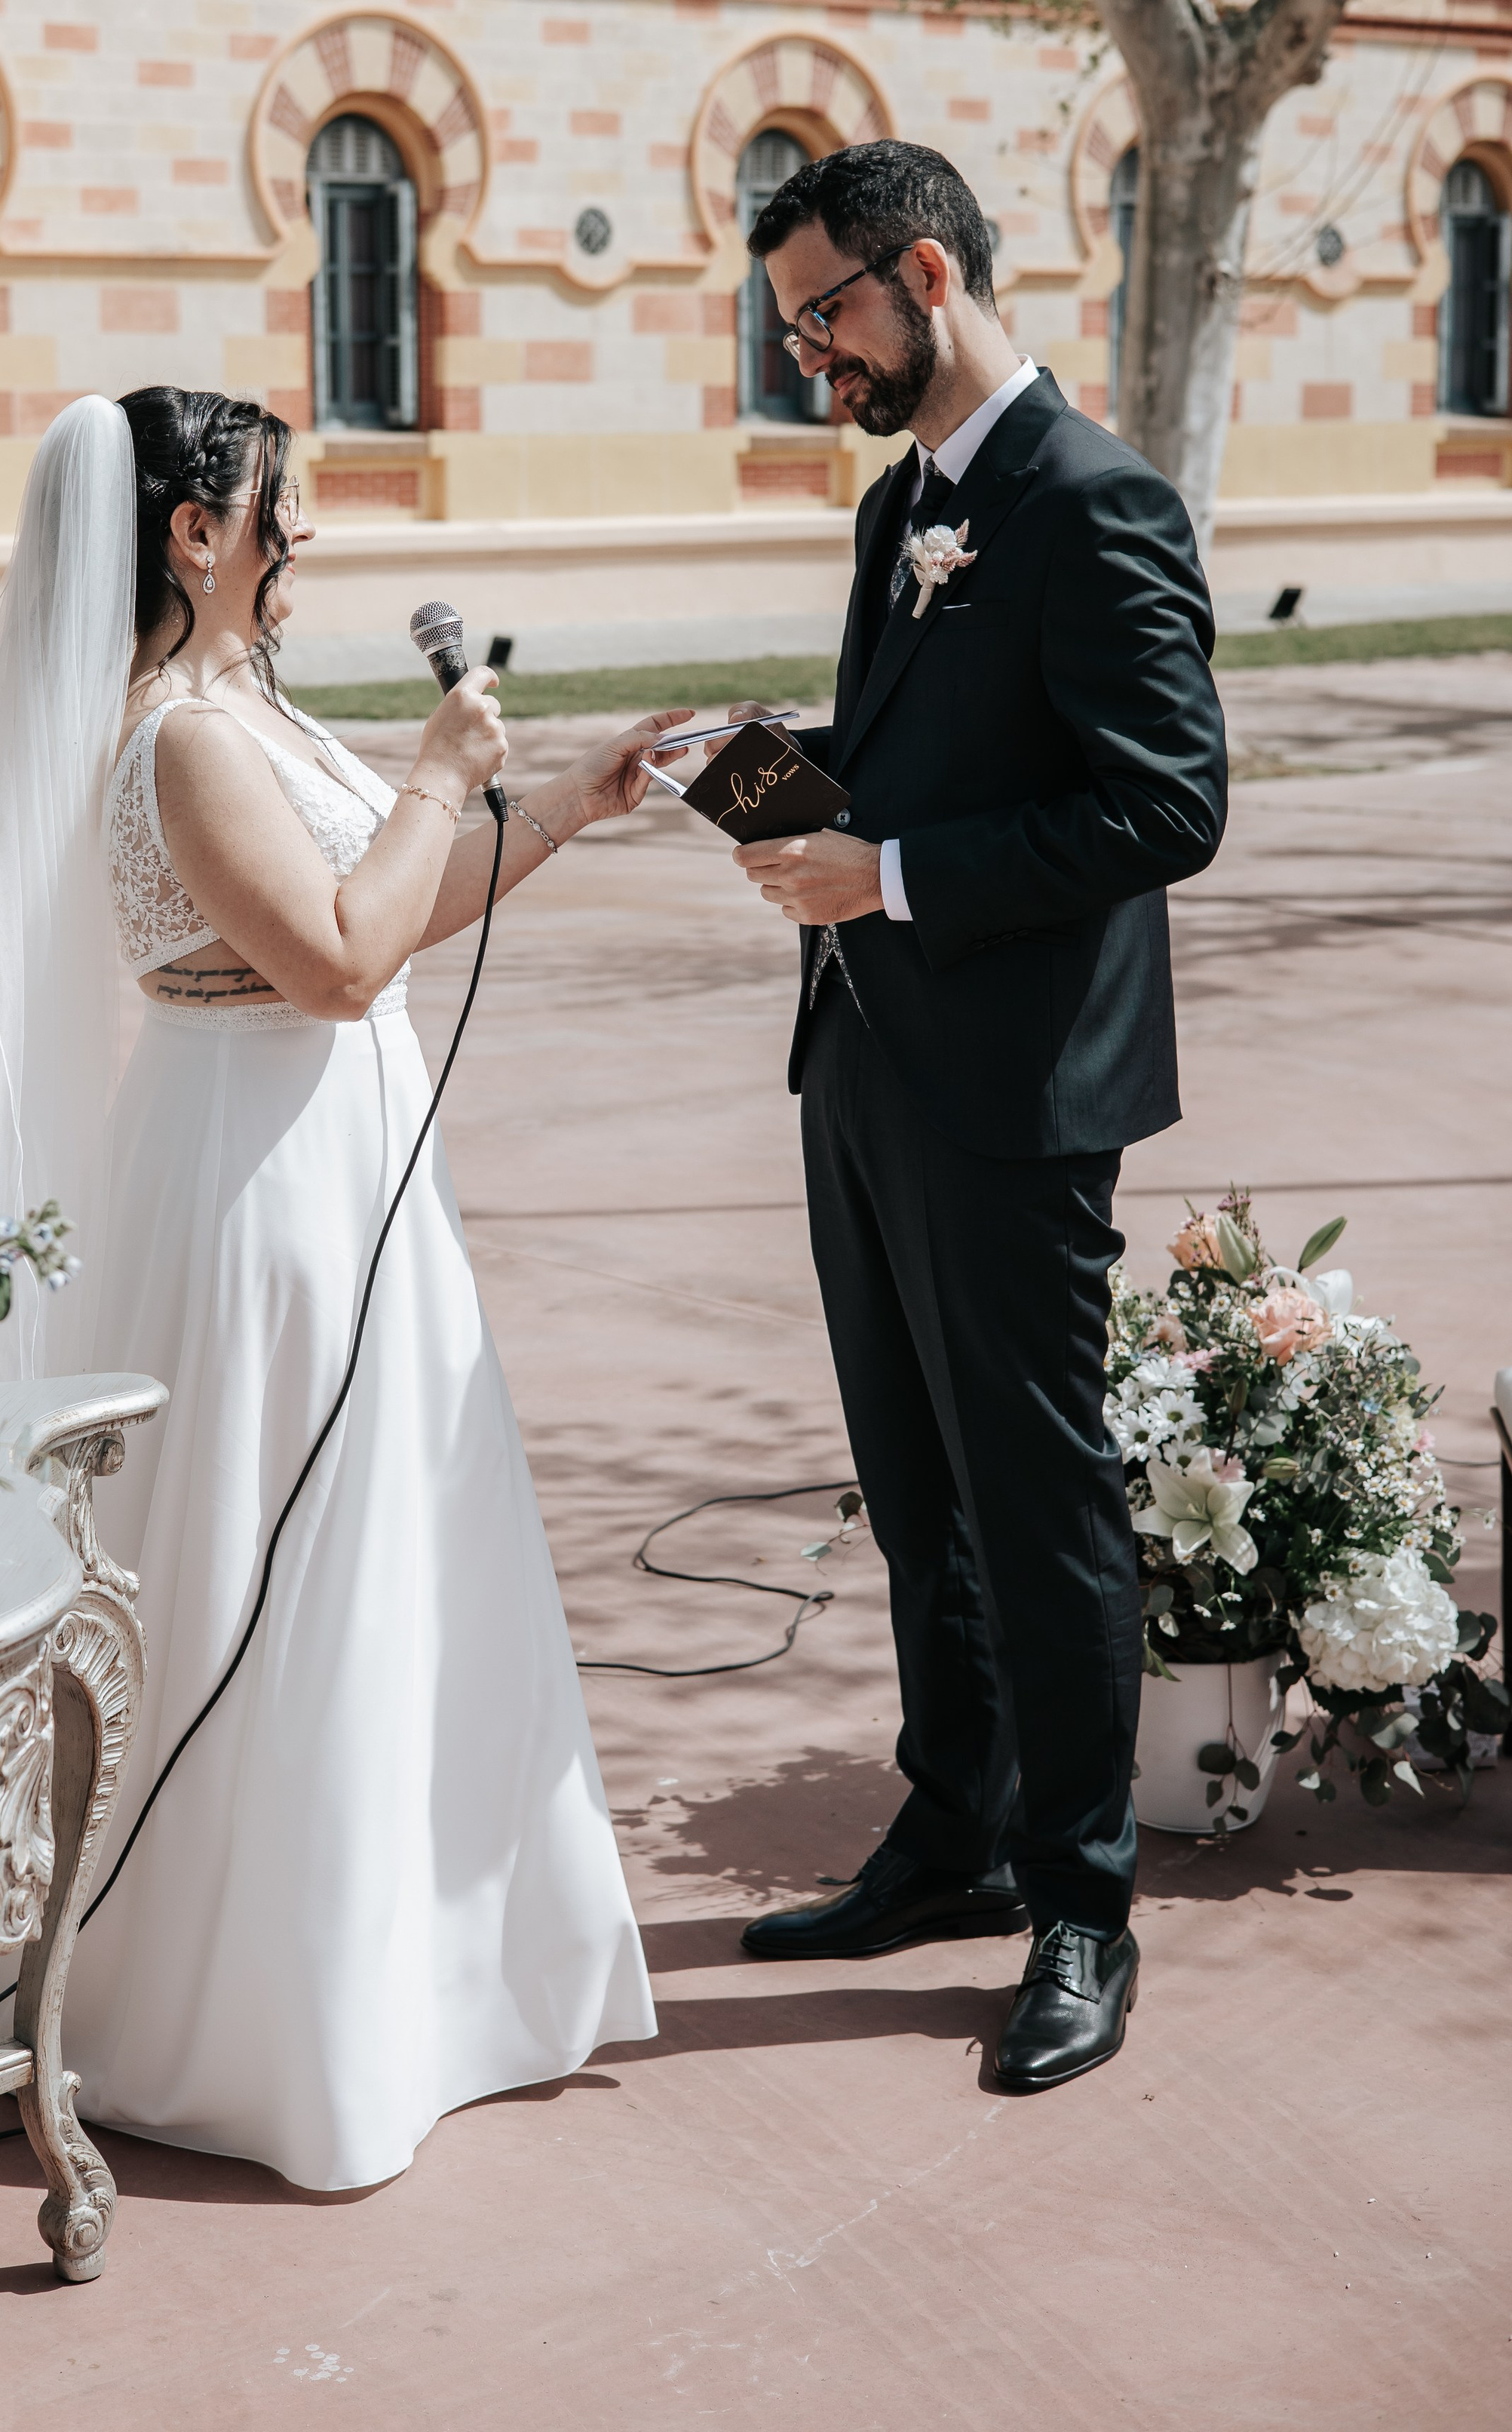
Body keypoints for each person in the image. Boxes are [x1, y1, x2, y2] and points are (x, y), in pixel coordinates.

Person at [0, 388, 674, 2194]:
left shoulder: (247, 708)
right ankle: (245, 2016)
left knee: (392, 1546)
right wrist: (435, 774)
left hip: (355, 1173)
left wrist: (556, 806)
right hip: (263, 1190)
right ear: (192, 533)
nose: (300, 529)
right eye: (275, 502)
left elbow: (386, 921)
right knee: (270, 1562)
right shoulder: (174, 736)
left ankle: (416, 1982)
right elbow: (330, 962)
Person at [716, 143, 1226, 2093]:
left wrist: (896, 876)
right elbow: (922, 749)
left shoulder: (1098, 504)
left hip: (1015, 1095)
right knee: (914, 1481)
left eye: (826, 314)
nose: (807, 357)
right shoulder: (898, 509)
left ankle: (1081, 1898)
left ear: (928, 271)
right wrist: (766, 771)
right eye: (789, 326)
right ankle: (952, 1837)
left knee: (1038, 1496)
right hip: (861, 1063)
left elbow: (1165, 807)